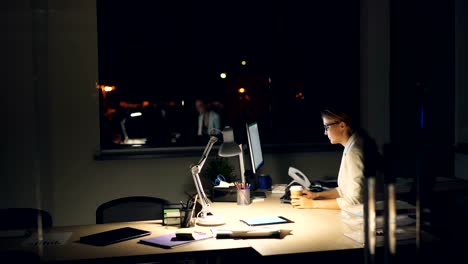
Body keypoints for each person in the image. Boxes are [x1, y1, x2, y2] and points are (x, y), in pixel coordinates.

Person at [291, 108, 381, 210]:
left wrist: (312, 204)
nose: (325, 132)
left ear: (342, 125)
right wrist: (316, 195)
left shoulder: (354, 152)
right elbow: (344, 191)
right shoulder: (352, 145)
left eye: (326, 127)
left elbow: (354, 201)